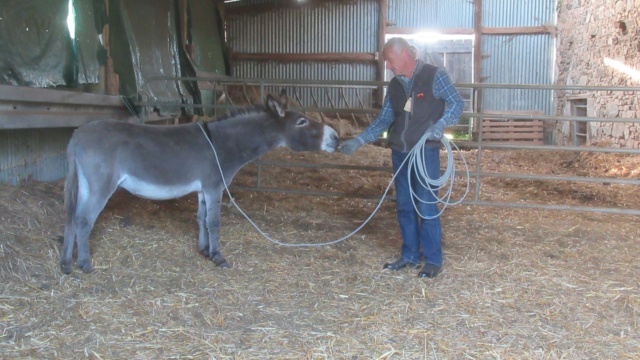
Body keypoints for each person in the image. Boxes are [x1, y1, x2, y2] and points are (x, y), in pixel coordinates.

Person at [338, 37, 464, 278]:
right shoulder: (395, 86)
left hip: (425, 151)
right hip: (400, 152)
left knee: (426, 206)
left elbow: (457, 103)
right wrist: (359, 140)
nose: (388, 66)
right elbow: (385, 119)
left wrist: (441, 124)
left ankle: (433, 260)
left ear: (404, 54)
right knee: (405, 206)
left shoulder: (434, 75)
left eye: (389, 60)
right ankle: (409, 255)